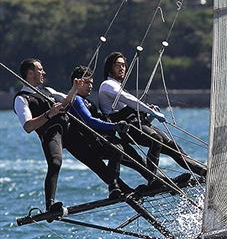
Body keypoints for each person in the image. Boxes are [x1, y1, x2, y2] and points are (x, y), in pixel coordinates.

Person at [97, 52, 206, 187]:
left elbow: (133, 111)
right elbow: (128, 99)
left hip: (141, 125)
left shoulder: (117, 86)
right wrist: (149, 110)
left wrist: (150, 115)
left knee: (174, 148)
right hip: (131, 129)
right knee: (156, 140)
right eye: (117, 65)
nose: (122, 68)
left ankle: (204, 172)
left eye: (124, 65)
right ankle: (153, 179)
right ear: (109, 68)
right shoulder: (107, 85)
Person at [64, 66, 150, 199]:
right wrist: (114, 127)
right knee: (118, 149)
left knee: (134, 157)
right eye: (87, 82)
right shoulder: (76, 100)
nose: (90, 86)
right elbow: (89, 120)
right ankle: (114, 187)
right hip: (92, 143)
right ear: (77, 83)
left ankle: (157, 181)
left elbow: (104, 117)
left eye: (92, 82)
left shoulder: (87, 101)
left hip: (103, 139)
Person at [14, 58, 80, 214]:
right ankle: (50, 206)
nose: (43, 72)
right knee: (55, 163)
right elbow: (28, 126)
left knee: (97, 151)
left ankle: (116, 185)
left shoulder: (48, 91)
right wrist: (49, 113)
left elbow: (65, 102)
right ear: (30, 73)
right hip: (51, 134)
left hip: (69, 130)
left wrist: (75, 88)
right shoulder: (21, 99)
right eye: (40, 70)